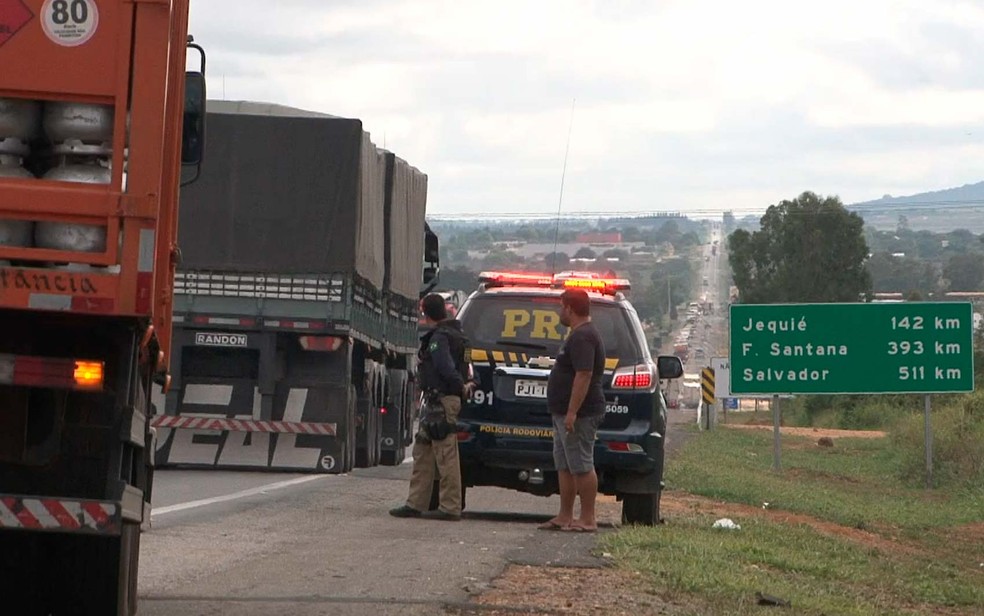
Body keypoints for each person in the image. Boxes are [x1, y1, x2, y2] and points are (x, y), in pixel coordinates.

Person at [390, 293, 474, 521]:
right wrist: (464, 385)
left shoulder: (439, 339)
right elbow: (467, 367)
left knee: (445, 454)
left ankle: (450, 506)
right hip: (440, 401)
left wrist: (459, 387)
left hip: (443, 400)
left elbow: (445, 367)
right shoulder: (460, 336)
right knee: (423, 452)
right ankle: (415, 503)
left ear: (425, 313)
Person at [539, 289, 606, 533]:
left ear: (569, 308)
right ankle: (565, 515)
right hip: (562, 412)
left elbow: (584, 374)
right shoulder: (577, 335)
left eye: (561, 307)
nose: (560, 312)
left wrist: (572, 411)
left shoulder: (584, 337)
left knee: (581, 464)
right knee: (565, 464)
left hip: (581, 412)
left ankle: (587, 518)